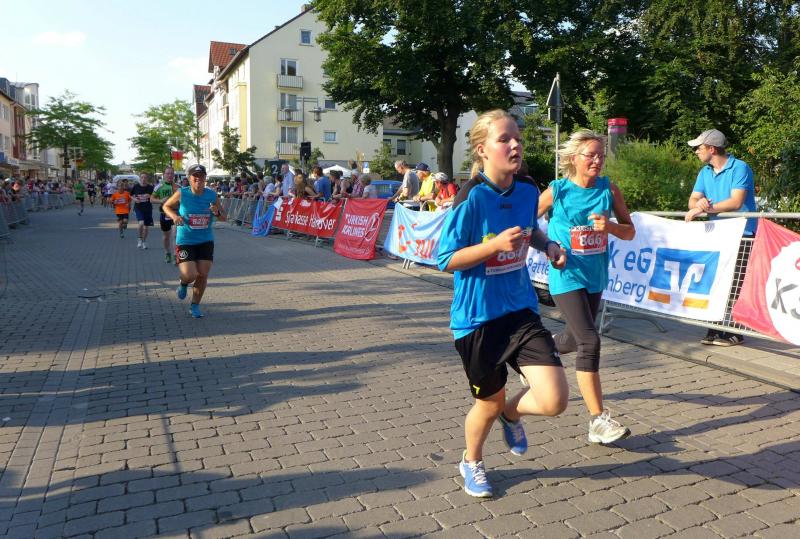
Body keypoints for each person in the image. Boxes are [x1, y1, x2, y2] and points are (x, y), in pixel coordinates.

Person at [437, 109, 569, 498]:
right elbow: (446, 259)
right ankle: (472, 460)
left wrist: (549, 245)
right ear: (482, 150)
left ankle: (513, 414)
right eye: (504, 139)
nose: (515, 145)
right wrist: (493, 245)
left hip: (520, 311)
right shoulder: (471, 197)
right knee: (488, 404)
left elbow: (530, 232)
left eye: (518, 139)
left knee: (554, 400)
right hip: (478, 320)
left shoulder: (527, 188)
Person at [538, 129, 636, 445]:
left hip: (595, 276)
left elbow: (630, 232)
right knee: (590, 341)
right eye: (590, 155)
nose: (597, 160)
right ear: (573, 158)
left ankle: (538, 351)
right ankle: (597, 421)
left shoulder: (610, 190)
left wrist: (610, 227)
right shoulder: (557, 191)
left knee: (572, 338)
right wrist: (549, 246)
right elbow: (526, 224)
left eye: (601, 155)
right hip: (565, 275)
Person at [685, 128, 757, 347]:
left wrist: (706, 208)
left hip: (742, 232)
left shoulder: (740, 167)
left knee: (735, 283)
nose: (696, 151)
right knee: (715, 281)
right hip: (718, 234)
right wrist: (699, 204)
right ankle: (716, 328)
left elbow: (736, 201)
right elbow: (692, 201)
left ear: (712, 149)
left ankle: (736, 331)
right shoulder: (704, 172)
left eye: (699, 147)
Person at [162, 164, 226, 318]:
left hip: (205, 240)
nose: (198, 179)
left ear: (205, 178)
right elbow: (166, 206)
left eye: (201, 176)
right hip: (186, 240)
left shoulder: (212, 195)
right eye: (195, 176)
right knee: (190, 274)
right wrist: (175, 216)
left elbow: (224, 217)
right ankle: (183, 283)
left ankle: (195, 305)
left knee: (203, 274)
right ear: (189, 178)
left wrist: (217, 212)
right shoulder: (182, 193)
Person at [151, 166, 177, 263]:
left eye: (171, 173)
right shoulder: (159, 186)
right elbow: (151, 199)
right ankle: (167, 253)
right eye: (167, 173)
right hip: (164, 214)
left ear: (174, 175)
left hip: (175, 213)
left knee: (175, 235)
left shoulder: (178, 187)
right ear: (164, 175)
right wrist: (161, 201)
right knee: (166, 236)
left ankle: (175, 255)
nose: (170, 175)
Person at [131, 173, 155, 249]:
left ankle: (144, 242)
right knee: (141, 223)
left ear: (147, 179)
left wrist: (150, 196)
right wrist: (134, 199)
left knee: (146, 227)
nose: (143, 179)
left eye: (145, 177)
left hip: (148, 208)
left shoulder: (150, 187)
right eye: (142, 177)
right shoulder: (136, 186)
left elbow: (155, 196)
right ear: (140, 178)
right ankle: (139, 238)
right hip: (138, 208)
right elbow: (130, 195)